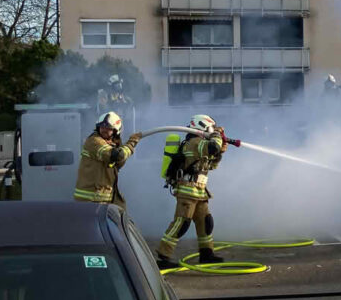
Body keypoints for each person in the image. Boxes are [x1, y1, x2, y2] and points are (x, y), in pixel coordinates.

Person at [156, 114, 229, 270]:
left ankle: (206, 254)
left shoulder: (200, 144)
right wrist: (217, 136)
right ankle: (163, 256)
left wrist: (220, 151)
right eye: (210, 128)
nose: (211, 131)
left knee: (206, 222)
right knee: (181, 223)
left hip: (199, 192)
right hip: (187, 191)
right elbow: (212, 147)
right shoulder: (194, 142)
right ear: (201, 127)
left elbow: (211, 164)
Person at [73, 112, 142, 209]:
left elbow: (118, 164)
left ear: (115, 131)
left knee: (121, 215)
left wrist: (118, 146)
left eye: (108, 128)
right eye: (102, 127)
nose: (104, 130)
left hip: (104, 198)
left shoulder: (110, 144)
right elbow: (117, 156)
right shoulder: (94, 141)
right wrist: (131, 143)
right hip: (91, 200)